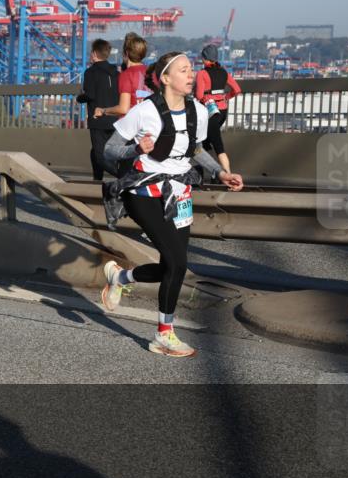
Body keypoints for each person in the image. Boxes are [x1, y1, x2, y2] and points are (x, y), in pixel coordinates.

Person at [100, 51, 244, 358]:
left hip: (179, 193)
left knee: (173, 266)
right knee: (177, 262)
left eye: (191, 69)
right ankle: (163, 335)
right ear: (165, 78)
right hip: (143, 192)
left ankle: (120, 277)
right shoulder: (144, 111)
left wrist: (221, 173)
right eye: (183, 70)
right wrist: (136, 149)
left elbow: (196, 150)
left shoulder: (198, 111)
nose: (191, 75)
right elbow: (109, 150)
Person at [77, 39, 119, 180]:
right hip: (115, 118)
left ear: (94, 54)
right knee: (95, 151)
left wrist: (79, 97)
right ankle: (97, 179)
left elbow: (90, 95)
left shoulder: (90, 72)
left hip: (98, 119)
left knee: (100, 156)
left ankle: (124, 177)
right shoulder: (117, 72)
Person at [196, 44, 241, 175]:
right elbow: (237, 90)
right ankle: (212, 174)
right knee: (205, 142)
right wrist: (226, 97)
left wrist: (206, 98)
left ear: (205, 58)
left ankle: (228, 175)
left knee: (217, 145)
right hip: (222, 112)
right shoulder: (224, 72)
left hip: (210, 113)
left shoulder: (202, 74)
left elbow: (199, 95)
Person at [97, 32, 150, 121]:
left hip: (131, 122)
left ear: (126, 53)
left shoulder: (126, 74)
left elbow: (123, 109)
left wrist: (103, 111)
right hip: (149, 122)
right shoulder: (152, 72)